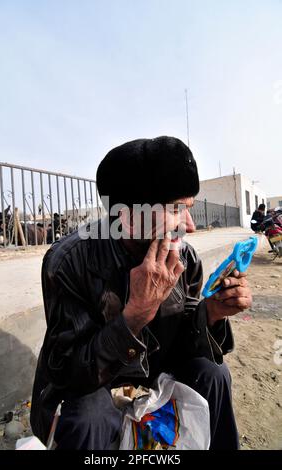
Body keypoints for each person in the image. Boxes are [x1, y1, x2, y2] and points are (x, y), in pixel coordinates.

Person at [30, 136, 252, 450]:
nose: (189, 226)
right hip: (94, 386)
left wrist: (212, 313)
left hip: (154, 376)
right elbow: (69, 372)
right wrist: (134, 316)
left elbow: (184, 344)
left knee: (213, 373)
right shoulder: (69, 262)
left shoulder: (185, 258)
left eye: (188, 209)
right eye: (177, 209)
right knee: (88, 416)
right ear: (129, 218)